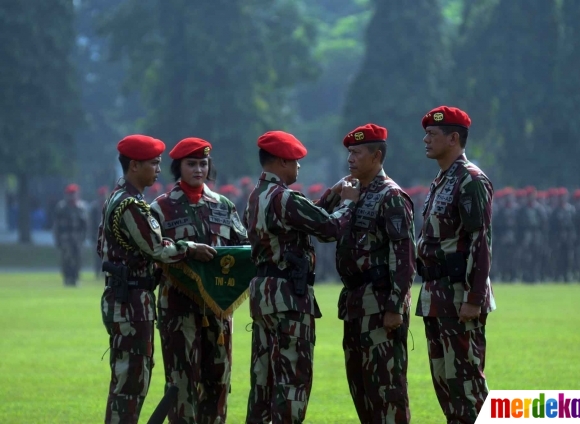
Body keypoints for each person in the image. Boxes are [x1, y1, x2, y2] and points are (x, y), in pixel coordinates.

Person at [97, 134, 216, 424]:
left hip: (127, 299)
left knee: (131, 380)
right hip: (131, 302)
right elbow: (158, 248)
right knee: (131, 384)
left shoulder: (119, 197)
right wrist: (191, 248)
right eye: (154, 163)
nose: (159, 170)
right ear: (135, 165)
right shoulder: (131, 206)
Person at [243, 130, 359, 424]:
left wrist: (332, 194)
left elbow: (306, 218)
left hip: (264, 296)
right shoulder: (285, 197)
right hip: (289, 298)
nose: (298, 167)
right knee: (293, 380)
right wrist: (348, 202)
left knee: (263, 382)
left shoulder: (257, 196)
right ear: (282, 161)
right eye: (296, 162)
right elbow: (330, 229)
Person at [321, 123, 415, 423]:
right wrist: (335, 192)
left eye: (357, 153)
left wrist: (396, 307)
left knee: (387, 392)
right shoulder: (353, 192)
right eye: (349, 152)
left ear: (376, 156)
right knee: (360, 388)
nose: (350, 158)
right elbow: (318, 222)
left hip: (380, 304)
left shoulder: (391, 196)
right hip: (354, 304)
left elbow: (404, 256)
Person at [150, 137, 249, 423]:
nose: (198, 169)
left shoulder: (224, 206)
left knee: (218, 381)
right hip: (178, 310)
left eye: (203, 163)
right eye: (191, 164)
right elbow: (155, 253)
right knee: (182, 382)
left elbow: (243, 247)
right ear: (178, 167)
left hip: (217, 309)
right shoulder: (161, 208)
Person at [416, 106, 496, 424]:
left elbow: (481, 241)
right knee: (446, 387)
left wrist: (474, 299)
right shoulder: (441, 180)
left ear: (453, 138)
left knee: (468, 388)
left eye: (432, 135)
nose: (425, 140)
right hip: (436, 295)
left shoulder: (471, 180)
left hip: (460, 296)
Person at [52, 183, 88, 286]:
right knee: (66, 259)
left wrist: (84, 238)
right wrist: (57, 239)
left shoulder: (81, 207)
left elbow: (85, 225)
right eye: (70, 194)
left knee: (78, 259)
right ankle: (67, 278)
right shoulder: (61, 208)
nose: (72, 196)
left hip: (77, 238)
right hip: (65, 238)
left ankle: (75, 278)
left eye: (74, 194)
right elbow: (56, 226)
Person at [90, 186, 110, 279]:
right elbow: (91, 223)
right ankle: (97, 272)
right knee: (98, 254)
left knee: (108, 254)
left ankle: (106, 271)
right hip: (97, 234)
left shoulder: (110, 205)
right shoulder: (95, 207)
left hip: (108, 235)